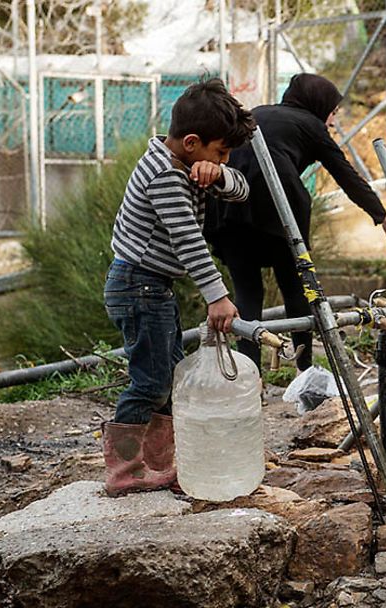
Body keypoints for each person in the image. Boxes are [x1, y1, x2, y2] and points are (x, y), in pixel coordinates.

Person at [102, 78, 255, 497]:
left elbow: (242, 191)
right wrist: (218, 297)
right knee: (150, 382)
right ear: (192, 142)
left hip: (154, 286)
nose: (223, 159)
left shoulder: (181, 162)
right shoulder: (165, 177)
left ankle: (157, 462)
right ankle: (124, 472)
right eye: (220, 151)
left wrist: (220, 172)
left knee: (169, 374)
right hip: (138, 285)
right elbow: (188, 241)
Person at [205, 73, 386, 372]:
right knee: (298, 289)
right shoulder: (311, 125)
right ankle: (304, 371)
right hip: (279, 208)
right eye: (333, 112)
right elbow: (346, 175)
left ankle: (249, 376)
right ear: (318, 105)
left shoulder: (259, 113)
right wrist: (383, 217)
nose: (333, 122)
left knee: (247, 294)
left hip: (228, 207)